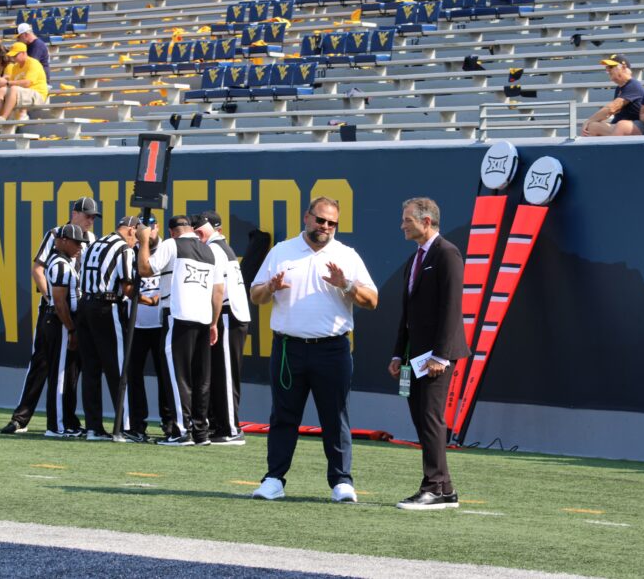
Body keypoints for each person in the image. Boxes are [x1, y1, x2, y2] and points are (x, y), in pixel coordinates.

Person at [249, 197, 378, 503]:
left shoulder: (346, 255)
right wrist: (271, 288)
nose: (325, 227)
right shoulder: (281, 251)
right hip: (288, 348)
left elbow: (372, 301)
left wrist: (346, 285)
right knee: (283, 416)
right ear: (307, 217)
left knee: (335, 417)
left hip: (332, 348)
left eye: (332, 223)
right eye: (320, 220)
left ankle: (341, 481)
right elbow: (256, 296)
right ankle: (274, 479)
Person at [390, 198, 467, 510]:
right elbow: (407, 313)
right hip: (414, 356)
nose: (402, 225)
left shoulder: (447, 253)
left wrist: (442, 356)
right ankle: (445, 488)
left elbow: (452, 307)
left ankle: (432, 487)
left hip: (435, 358)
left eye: (407, 219)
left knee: (430, 419)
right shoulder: (415, 259)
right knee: (421, 419)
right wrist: (398, 354)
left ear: (426, 222)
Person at [1, 197, 99, 436]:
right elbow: (38, 268)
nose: (90, 221)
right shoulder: (56, 234)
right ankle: (21, 418)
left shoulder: (92, 240)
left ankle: (66, 420)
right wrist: (52, 301)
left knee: (70, 369)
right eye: (87, 215)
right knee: (41, 363)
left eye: (93, 217)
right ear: (74, 213)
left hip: (75, 309)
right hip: (54, 309)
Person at [136, 215, 223, 447]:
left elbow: (145, 269)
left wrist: (143, 240)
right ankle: (201, 432)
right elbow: (218, 292)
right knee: (201, 378)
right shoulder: (209, 251)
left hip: (178, 315)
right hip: (204, 319)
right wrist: (214, 323)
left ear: (172, 231)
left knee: (177, 376)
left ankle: (181, 431)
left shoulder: (171, 244)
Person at [193, 211, 252, 445]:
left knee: (226, 374)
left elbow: (218, 290)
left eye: (201, 228)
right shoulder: (220, 246)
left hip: (228, 313)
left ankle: (230, 428)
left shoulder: (215, 249)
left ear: (213, 228)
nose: (198, 233)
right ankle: (222, 425)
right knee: (221, 372)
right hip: (228, 313)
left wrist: (213, 322)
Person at [78, 216, 140, 440]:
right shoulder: (123, 248)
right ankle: (122, 427)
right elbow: (127, 287)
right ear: (132, 230)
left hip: (84, 305)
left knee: (91, 369)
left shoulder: (95, 243)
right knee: (118, 367)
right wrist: (142, 293)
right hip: (106, 306)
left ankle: (93, 427)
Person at [40, 224, 88, 436]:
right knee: (59, 376)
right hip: (60, 322)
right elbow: (59, 303)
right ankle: (56, 426)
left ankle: (67, 422)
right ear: (64, 241)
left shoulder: (67, 262)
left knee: (67, 376)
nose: (80, 247)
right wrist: (71, 329)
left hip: (64, 322)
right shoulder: (59, 264)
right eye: (77, 243)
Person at [125, 215, 169, 442]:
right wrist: (142, 298)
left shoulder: (167, 249)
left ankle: (169, 423)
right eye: (143, 229)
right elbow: (125, 287)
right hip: (137, 323)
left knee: (166, 375)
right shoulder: (131, 252)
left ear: (157, 228)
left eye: (150, 228)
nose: (147, 233)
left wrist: (154, 300)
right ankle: (137, 424)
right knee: (134, 375)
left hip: (161, 323)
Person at [581, 54, 644, 136]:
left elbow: (611, 108)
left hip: (636, 126)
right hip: (621, 126)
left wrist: (588, 120)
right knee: (592, 127)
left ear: (623, 67)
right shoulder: (620, 88)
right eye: (607, 67)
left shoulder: (633, 85)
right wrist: (590, 122)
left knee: (621, 126)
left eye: (611, 67)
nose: (608, 70)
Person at [0, 42, 48, 121]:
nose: (13, 58)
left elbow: (27, 83)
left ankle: (3, 117)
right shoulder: (15, 67)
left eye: (15, 55)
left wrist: (7, 82)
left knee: (14, 88)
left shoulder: (33, 63)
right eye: (12, 56)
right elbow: (12, 84)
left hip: (37, 94)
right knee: (2, 89)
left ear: (23, 53)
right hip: (24, 93)